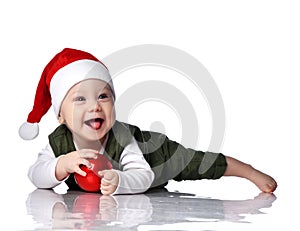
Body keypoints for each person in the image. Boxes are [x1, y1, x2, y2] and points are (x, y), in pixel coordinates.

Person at [19, 48, 277, 195]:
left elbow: (143, 175)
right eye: (80, 100)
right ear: (60, 116)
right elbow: (35, 175)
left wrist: (120, 181)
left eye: (103, 96)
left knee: (199, 163)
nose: (95, 106)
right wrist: (61, 166)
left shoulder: (122, 138)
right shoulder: (59, 143)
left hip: (156, 156)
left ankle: (248, 171)